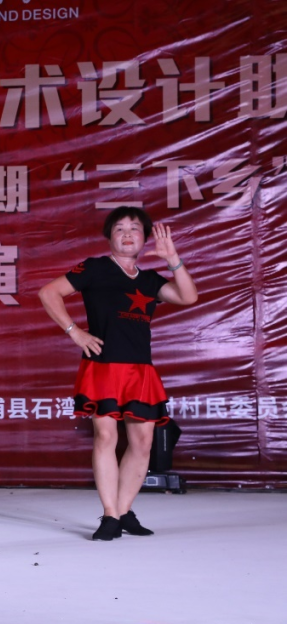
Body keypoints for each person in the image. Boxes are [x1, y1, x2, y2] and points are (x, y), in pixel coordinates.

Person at [38, 206, 197, 541]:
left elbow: (188, 296)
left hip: (140, 369)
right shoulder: (95, 268)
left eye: (134, 228)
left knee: (142, 442)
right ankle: (110, 515)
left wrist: (173, 259)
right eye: (119, 228)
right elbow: (48, 292)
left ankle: (124, 511)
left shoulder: (150, 280)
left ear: (144, 237)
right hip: (103, 366)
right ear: (109, 236)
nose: (127, 234)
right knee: (106, 437)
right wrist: (74, 332)